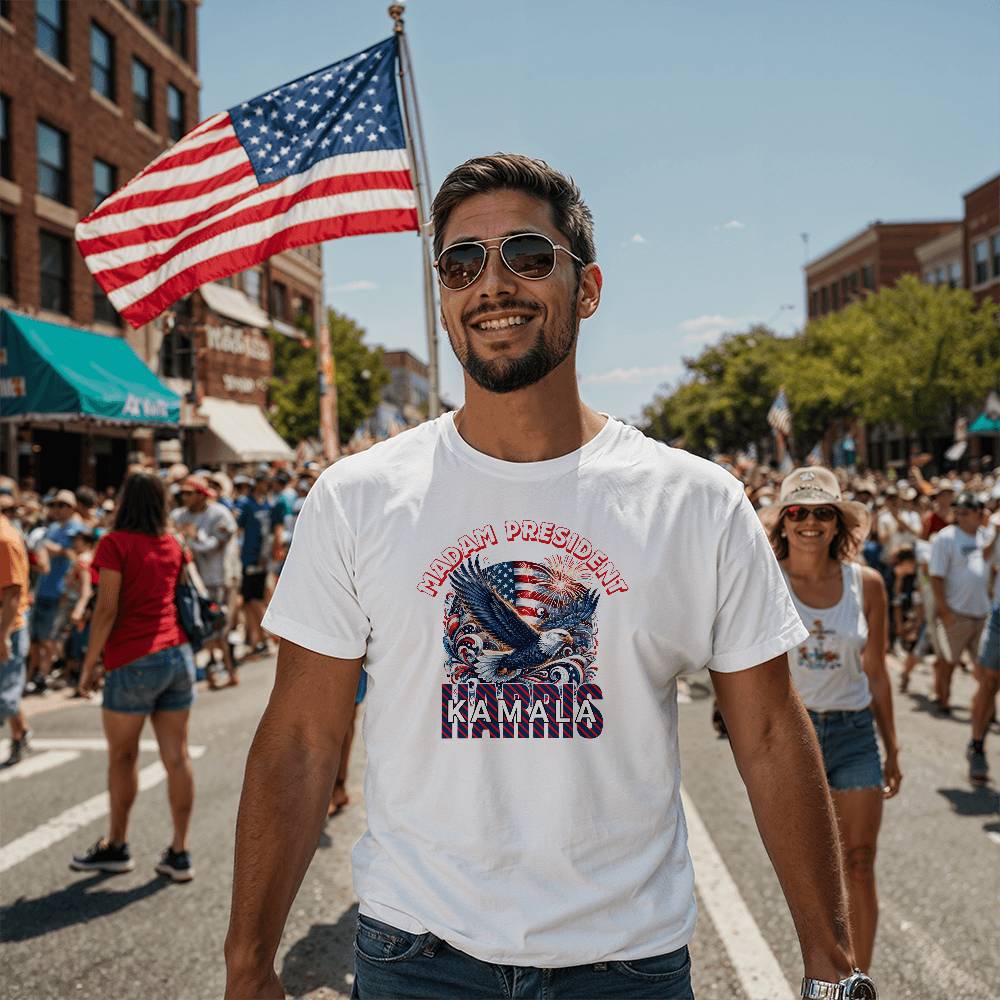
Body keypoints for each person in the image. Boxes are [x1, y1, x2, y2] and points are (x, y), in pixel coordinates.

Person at [225, 154, 873, 1000]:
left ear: (588, 287)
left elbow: (771, 735)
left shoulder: (697, 502)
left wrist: (832, 962)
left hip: (627, 966)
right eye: (462, 263)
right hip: (414, 961)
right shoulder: (356, 498)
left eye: (527, 255)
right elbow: (303, 740)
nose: (491, 284)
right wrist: (246, 964)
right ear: (442, 295)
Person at [764, 466, 901, 971]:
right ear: (783, 522)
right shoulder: (766, 578)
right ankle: (825, 971)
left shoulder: (867, 584)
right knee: (811, 876)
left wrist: (893, 746)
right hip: (794, 737)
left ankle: (858, 980)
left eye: (824, 512)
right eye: (798, 512)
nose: (810, 522)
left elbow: (878, 671)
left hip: (854, 733)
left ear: (838, 522)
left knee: (860, 862)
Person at [71, 471, 197, 883]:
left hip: (132, 657)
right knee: (176, 758)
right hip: (177, 654)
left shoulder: (114, 544)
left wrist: (89, 666)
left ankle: (117, 845)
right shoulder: (174, 543)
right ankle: (180, 852)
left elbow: (106, 610)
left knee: (122, 757)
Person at [171, 475, 239, 688]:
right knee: (199, 627)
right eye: (182, 493)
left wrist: (192, 538)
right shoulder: (178, 515)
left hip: (214, 579)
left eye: (189, 493)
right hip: (188, 582)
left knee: (217, 625)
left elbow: (214, 546)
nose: (185, 497)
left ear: (201, 494)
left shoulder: (220, 514)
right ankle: (212, 671)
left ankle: (227, 669)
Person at [928, 492, 991, 717]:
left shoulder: (987, 536)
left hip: (983, 612)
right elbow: (936, 576)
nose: (961, 517)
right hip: (956, 612)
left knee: (986, 667)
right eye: (958, 512)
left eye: (966, 512)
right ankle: (943, 699)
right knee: (948, 662)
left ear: (980, 514)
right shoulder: (946, 537)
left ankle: (986, 708)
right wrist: (944, 610)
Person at [27, 490, 81, 693]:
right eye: (54, 505)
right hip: (43, 588)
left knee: (49, 638)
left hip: (60, 591)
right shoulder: (53, 527)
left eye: (61, 505)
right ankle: (34, 675)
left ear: (71, 508)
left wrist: (49, 547)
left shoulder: (77, 528)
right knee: (35, 638)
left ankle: (44, 675)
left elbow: (72, 553)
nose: (56, 509)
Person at [967, 499, 1000, 782]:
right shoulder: (994, 530)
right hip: (999, 615)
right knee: (988, 683)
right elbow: (984, 559)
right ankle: (977, 745)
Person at [235, 474, 283, 657]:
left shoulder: (266, 505)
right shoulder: (246, 505)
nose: (267, 487)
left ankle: (265, 637)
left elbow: (270, 532)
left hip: (259, 560)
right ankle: (260, 639)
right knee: (250, 601)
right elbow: (239, 530)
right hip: (248, 558)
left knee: (254, 600)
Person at [0, 495, 32, 766]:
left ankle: (19, 737)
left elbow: (13, 592)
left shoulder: (4, 539)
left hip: (8, 625)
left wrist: (3, 635)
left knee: (5, 693)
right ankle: (20, 734)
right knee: (6, 690)